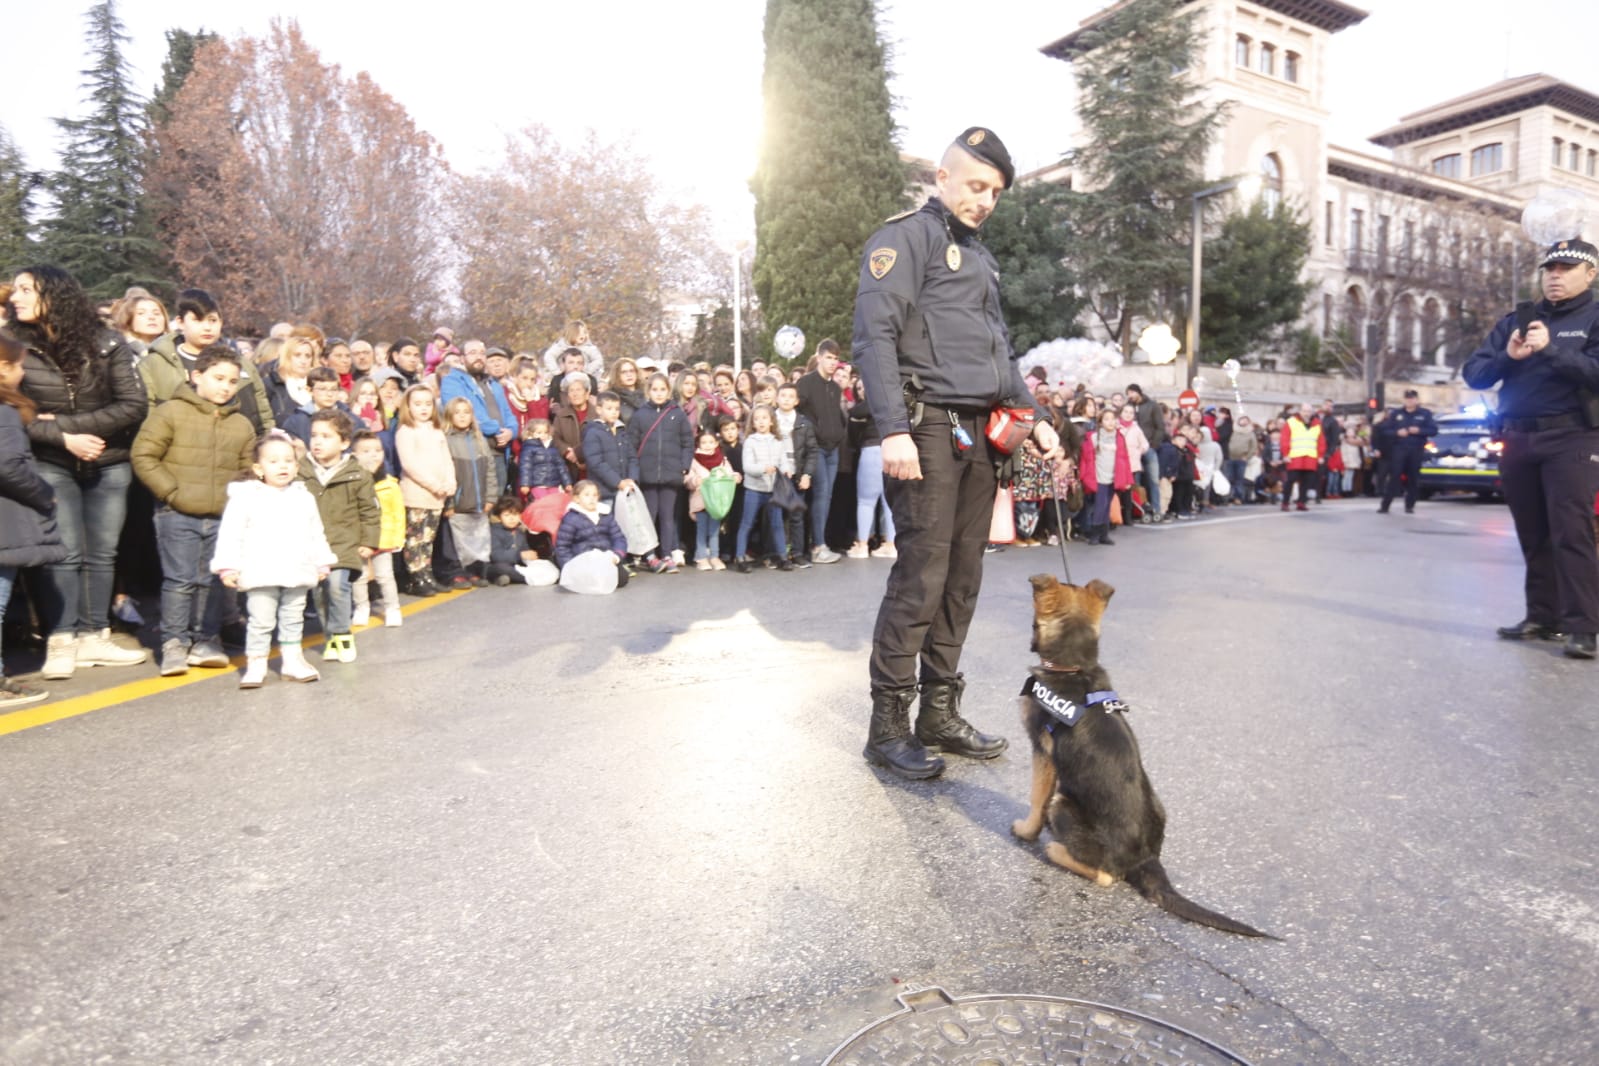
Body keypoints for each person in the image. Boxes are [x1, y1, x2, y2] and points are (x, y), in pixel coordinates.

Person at [850, 127, 1061, 779]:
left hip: (980, 434)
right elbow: (873, 337)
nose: (985, 200)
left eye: (994, 191)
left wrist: (1037, 419)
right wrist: (892, 429)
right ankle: (887, 728)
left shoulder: (980, 258)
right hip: (927, 428)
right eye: (975, 185)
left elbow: (999, 349)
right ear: (941, 178)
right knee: (921, 579)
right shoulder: (903, 239)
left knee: (961, 580)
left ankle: (937, 715)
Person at [9, 265, 150, 679]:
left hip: (109, 461)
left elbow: (132, 404)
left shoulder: (107, 342)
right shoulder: (12, 346)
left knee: (102, 553)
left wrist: (70, 426)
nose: (15, 297)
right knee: (65, 553)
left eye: (24, 289)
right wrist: (63, 438)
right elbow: (12, 412)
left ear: (54, 294)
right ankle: (61, 639)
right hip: (50, 462)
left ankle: (94, 635)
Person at [1462, 238, 1599, 659]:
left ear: (1590, 273)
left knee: (1571, 531)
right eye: (1549, 269)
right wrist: (1509, 357)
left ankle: (1582, 627)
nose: (1554, 276)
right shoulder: (1518, 320)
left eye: (1565, 268)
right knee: (1533, 532)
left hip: (1572, 436)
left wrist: (1552, 350)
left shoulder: (1594, 317)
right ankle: (1542, 616)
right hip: (1517, 435)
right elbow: (1476, 374)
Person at [130, 346, 256, 676]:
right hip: (176, 514)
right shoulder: (170, 412)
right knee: (180, 579)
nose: (225, 387)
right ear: (196, 376)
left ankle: (206, 639)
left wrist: (239, 504)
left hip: (222, 517)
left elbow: (248, 469)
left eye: (232, 381)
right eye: (218, 378)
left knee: (213, 581)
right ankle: (174, 643)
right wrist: (171, 493)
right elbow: (144, 455)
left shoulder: (241, 424)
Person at [211, 430, 334, 688]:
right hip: (260, 569)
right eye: (274, 461)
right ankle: (256, 663)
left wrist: (321, 560)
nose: (283, 466)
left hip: (297, 568)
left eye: (289, 461)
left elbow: (315, 532)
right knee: (261, 619)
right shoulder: (245, 497)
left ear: (297, 466)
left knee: (293, 616)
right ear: (258, 467)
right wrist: (228, 566)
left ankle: (292, 660)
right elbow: (231, 533)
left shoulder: (303, 496)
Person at [0, 329, 65, 707]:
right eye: (19, 366)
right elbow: (7, 464)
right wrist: (43, 491)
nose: (22, 373)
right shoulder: (5, 412)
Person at [298, 409, 380, 663]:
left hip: (344, 543)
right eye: (314, 435)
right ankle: (330, 636)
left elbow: (370, 510)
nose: (318, 441)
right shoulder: (301, 471)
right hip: (312, 544)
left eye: (326, 436)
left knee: (337, 586)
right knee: (319, 594)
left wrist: (368, 541)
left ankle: (343, 634)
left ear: (344, 443)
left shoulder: (358, 474)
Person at [628, 372, 694, 574]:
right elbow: (632, 444)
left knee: (667, 516)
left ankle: (666, 553)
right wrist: (635, 470)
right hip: (647, 475)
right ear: (648, 391)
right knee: (649, 515)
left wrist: (684, 465)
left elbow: (687, 442)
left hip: (670, 474)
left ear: (668, 391)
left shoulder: (677, 414)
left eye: (662, 389)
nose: (658, 393)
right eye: (654, 389)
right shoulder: (640, 415)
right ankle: (650, 554)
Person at [394, 384, 455, 596]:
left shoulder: (436, 430)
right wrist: (434, 485)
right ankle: (416, 576)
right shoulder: (406, 431)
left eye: (428, 404)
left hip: (437, 496)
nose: (423, 408)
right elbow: (410, 464)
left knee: (428, 538)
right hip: (417, 494)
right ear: (408, 407)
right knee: (415, 539)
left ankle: (427, 573)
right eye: (417, 404)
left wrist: (450, 482)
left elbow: (446, 459)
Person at [796, 339, 846, 562]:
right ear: (819, 357)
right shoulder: (806, 383)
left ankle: (819, 543)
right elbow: (796, 412)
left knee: (826, 496)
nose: (833, 362)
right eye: (829, 357)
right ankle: (818, 546)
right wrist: (810, 432)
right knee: (821, 494)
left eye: (836, 358)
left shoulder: (836, 387)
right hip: (814, 448)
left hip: (833, 449)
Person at [442, 397, 500, 588]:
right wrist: (449, 503)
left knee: (477, 537)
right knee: (455, 540)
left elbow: (490, 469)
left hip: (479, 500)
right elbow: (445, 472)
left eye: (466, 412)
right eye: (457, 412)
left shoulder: (479, 439)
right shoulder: (446, 440)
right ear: (450, 415)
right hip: (458, 502)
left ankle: (474, 571)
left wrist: (491, 497)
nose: (462, 416)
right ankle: (456, 572)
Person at [349, 430, 405, 628]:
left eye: (377, 450)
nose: (373, 455)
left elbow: (398, 513)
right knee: (359, 577)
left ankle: (393, 608)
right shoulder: (350, 482)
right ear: (354, 454)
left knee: (385, 575)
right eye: (366, 451)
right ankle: (361, 607)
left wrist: (399, 538)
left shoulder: (389, 484)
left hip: (384, 538)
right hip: (359, 539)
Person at [735, 405, 789, 572]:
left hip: (773, 490)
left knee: (777, 524)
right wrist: (763, 468)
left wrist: (787, 469)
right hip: (754, 489)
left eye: (764, 418)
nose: (761, 421)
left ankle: (782, 557)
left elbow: (783, 460)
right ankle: (740, 557)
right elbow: (748, 466)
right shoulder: (750, 441)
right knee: (747, 523)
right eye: (757, 419)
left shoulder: (778, 441)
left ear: (771, 421)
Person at [847, 380, 896, 559]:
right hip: (890, 449)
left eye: (863, 387)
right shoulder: (891, 402)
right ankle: (890, 544)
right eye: (858, 388)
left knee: (866, 502)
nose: (861, 391)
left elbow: (853, 418)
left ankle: (862, 545)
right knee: (889, 502)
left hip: (870, 451)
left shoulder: (863, 408)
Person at [554, 479, 629, 587]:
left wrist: (616, 556)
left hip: (605, 559)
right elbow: (562, 547)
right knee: (588, 581)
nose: (592, 499)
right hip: (582, 561)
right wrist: (571, 567)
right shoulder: (571, 519)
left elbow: (619, 538)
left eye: (595, 495)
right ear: (576, 498)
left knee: (622, 578)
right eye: (587, 495)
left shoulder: (606, 515)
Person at [1375, 390, 1437, 515]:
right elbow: (1384, 430)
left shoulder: (1425, 414)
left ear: (1417, 400)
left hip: (1416, 450)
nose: (1410, 401)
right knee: (1394, 477)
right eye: (1407, 399)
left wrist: (1419, 430)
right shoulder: (1396, 414)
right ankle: (1385, 505)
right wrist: (1397, 433)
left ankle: (1410, 505)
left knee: (1413, 478)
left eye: (1412, 398)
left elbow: (1433, 430)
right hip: (1399, 450)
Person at [686, 430, 736, 570]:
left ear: (716, 443)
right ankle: (701, 557)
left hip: (717, 501)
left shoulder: (722, 459)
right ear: (698, 444)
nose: (707, 445)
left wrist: (735, 477)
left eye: (710, 442)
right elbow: (688, 479)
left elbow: (729, 473)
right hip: (701, 500)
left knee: (714, 530)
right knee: (701, 530)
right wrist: (695, 480)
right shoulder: (694, 460)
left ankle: (714, 556)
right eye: (704, 442)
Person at [1126, 384, 1168, 521]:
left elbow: (1159, 426)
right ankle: (1139, 509)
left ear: (1138, 392)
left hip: (1149, 447)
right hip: (1133, 450)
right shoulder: (1128, 407)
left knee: (1153, 480)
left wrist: (1153, 444)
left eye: (1132, 392)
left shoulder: (1152, 406)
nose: (1130, 396)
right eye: (1128, 393)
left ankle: (1157, 509)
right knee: (1135, 482)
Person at [486, 496, 539, 585]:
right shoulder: (494, 531)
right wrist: (520, 555)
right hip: (497, 565)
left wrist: (531, 556)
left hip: (515, 566)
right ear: (499, 517)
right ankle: (527, 578)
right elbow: (496, 556)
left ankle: (504, 578)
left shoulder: (520, 532)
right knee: (501, 568)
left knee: (541, 564)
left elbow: (525, 550)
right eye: (507, 515)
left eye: (515, 514)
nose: (512, 518)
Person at [1279, 403, 1323, 512]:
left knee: (1306, 482)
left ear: (1312, 412)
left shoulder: (1317, 424)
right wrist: (1285, 454)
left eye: (1308, 411)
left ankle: (1301, 502)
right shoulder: (1291, 422)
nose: (1306, 413)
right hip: (1295, 457)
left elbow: (1321, 441)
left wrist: (1320, 455)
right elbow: (1285, 439)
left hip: (1310, 457)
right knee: (1290, 481)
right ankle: (1285, 503)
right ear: (1300, 411)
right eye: (1304, 411)